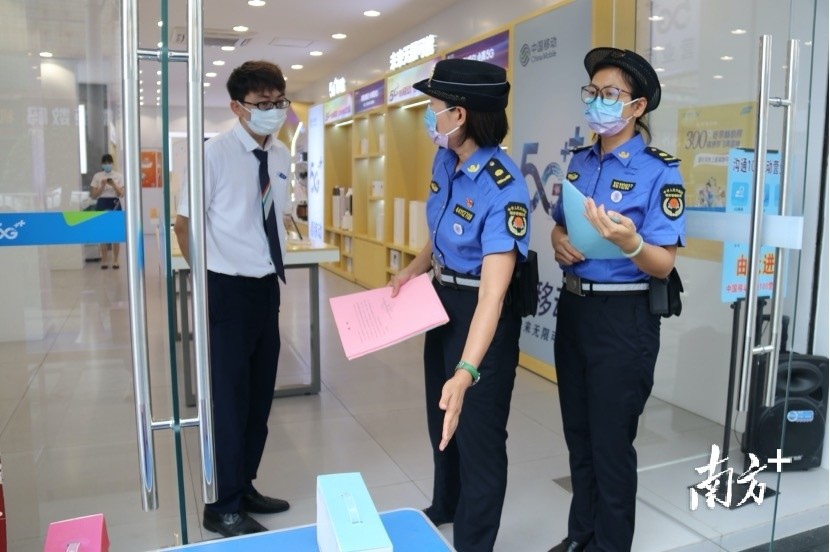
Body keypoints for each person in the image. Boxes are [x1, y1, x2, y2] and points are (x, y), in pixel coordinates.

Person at [390, 59, 532, 552]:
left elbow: (494, 294)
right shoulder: (445, 159)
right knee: (440, 416)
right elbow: (440, 228)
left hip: (482, 312)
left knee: (478, 435)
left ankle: (475, 542)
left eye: (435, 109)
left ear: (461, 115)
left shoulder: (504, 187)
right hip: (442, 301)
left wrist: (468, 368)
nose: (431, 118)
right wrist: (414, 266)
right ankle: (445, 503)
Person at [548, 48, 686, 552]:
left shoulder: (660, 172)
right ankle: (580, 536)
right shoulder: (580, 161)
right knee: (579, 437)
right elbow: (566, 222)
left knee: (609, 445)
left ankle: (610, 545)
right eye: (593, 93)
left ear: (638, 106)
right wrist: (557, 238)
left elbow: (664, 262)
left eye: (611, 95)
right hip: (575, 308)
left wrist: (631, 243)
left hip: (623, 318)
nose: (599, 102)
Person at [174, 60, 292, 538]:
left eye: (278, 102)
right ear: (237, 108)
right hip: (226, 288)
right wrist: (207, 281)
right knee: (229, 398)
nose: (272, 111)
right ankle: (220, 505)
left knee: (259, 398)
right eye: (262, 105)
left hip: (266, 290)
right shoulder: (213, 155)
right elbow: (185, 223)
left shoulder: (280, 155)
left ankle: (243, 486)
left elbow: (270, 216)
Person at [89, 153, 124, 269]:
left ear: (112, 164)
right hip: (102, 203)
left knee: (116, 234)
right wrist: (102, 187)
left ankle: (115, 260)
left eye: (109, 163)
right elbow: (93, 195)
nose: (107, 165)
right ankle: (104, 260)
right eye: (105, 163)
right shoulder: (97, 176)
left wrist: (113, 184)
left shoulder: (118, 176)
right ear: (102, 164)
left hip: (115, 203)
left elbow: (121, 194)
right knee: (102, 234)